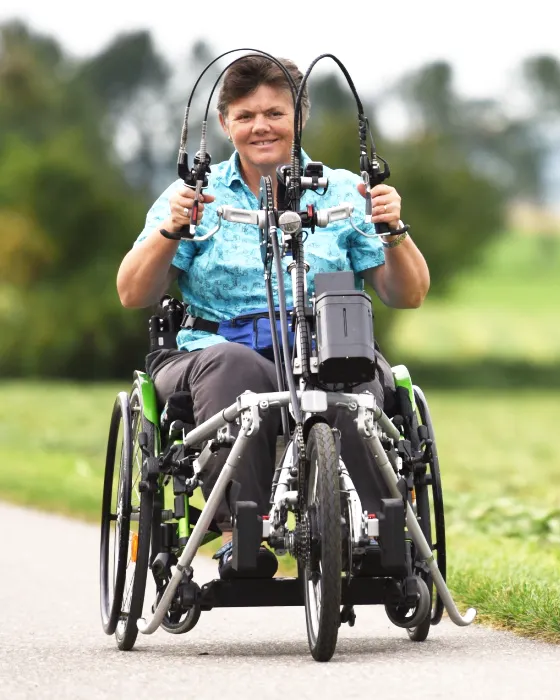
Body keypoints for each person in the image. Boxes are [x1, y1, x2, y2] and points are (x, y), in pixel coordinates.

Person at [115, 54, 430, 578]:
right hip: (209, 353)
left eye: (274, 112)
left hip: (324, 343)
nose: (260, 126)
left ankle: (378, 528)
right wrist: (170, 232)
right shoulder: (195, 198)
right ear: (225, 124)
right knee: (237, 370)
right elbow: (132, 292)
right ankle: (244, 531)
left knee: (352, 374)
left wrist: (394, 229)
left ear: (298, 116)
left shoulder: (346, 193)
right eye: (245, 115)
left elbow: (408, 294)